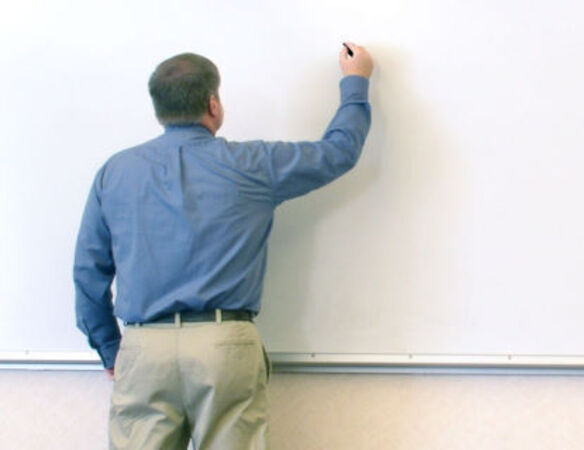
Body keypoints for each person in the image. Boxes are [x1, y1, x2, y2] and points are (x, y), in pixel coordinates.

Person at [73, 43, 373, 449]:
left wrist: (111, 349)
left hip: (144, 347)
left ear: (158, 109)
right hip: (224, 344)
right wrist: (356, 81)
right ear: (213, 104)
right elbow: (337, 153)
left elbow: (88, 273)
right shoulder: (253, 164)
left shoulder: (115, 172)